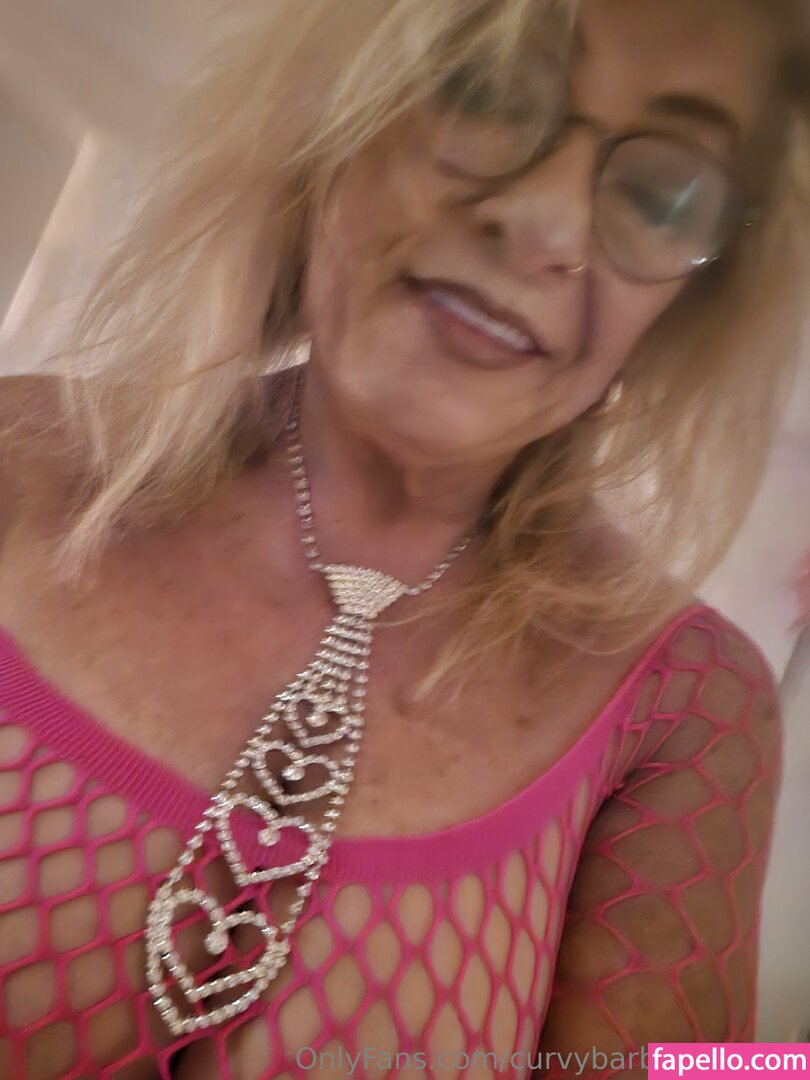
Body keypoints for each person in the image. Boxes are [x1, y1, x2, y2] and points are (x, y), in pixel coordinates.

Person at [0, 0, 807, 1076]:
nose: (546, 223)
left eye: (664, 196)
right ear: (339, 118)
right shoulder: (14, 459)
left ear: (692, 307)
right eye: (486, 90)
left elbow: (709, 1069)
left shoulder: (699, 704)